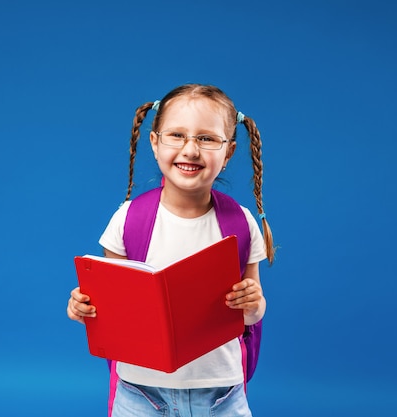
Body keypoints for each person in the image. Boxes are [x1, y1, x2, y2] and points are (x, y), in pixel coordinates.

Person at [67, 83, 275, 416]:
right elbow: (112, 312)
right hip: (140, 391)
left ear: (229, 152)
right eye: (176, 135)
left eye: (206, 138)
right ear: (154, 142)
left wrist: (254, 303)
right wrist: (84, 308)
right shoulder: (128, 220)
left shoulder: (241, 222)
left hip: (221, 392)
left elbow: (251, 315)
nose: (190, 150)